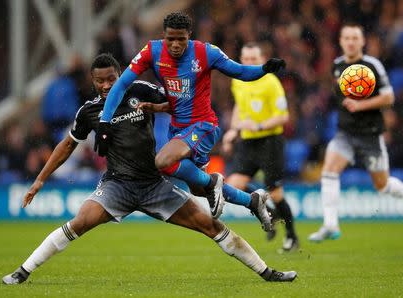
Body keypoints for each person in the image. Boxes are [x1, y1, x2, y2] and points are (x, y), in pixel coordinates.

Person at [2, 54, 297, 285]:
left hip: (155, 184)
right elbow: (67, 145)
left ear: (120, 76)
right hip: (117, 185)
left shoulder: (140, 89)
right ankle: (22, 272)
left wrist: (169, 113)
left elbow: (176, 103)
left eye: (111, 79)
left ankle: (268, 273)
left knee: (212, 226)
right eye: (100, 81)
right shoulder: (89, 112)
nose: (106, 86)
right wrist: (40, 180)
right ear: (92, 82)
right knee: (79, 222)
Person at [95, 12, 286, 228]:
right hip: (178, 130)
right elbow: (120, 85)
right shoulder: (152, 51)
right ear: (163, 36)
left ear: (190, 36)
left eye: (181, 39)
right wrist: (104, 122)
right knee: (198, 188)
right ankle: (252, 201)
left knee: (162, 161)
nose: (175, 44)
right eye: (170, 39)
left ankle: (213, 181)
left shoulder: (206, 52)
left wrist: (264, 69)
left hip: (203, 126)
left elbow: (240, 71)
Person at [308, 23, 403, 242]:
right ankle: (330, 225)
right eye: (347, 38)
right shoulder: (337, 65)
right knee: (329, 171)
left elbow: (389, 97)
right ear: (341, 41)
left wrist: (361, 105)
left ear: (362, 42)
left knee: (382, 185)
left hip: (370, 135)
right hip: (345, 132)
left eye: (355, 38)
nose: (351, 42)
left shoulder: (372, 65)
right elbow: (341, 95)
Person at [221, 43, 299, 252]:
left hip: (270, 142)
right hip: (248, 142)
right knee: (233, 185)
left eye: (253, 60)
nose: (248, 63)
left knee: (276, 192)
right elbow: (239, 105)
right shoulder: (238, 80)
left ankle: (292, 237)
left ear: (262, 60)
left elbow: (283, 116)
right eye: (245, 59)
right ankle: (269, 214)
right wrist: (233, 130)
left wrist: (258, 126)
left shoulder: (271, 82)